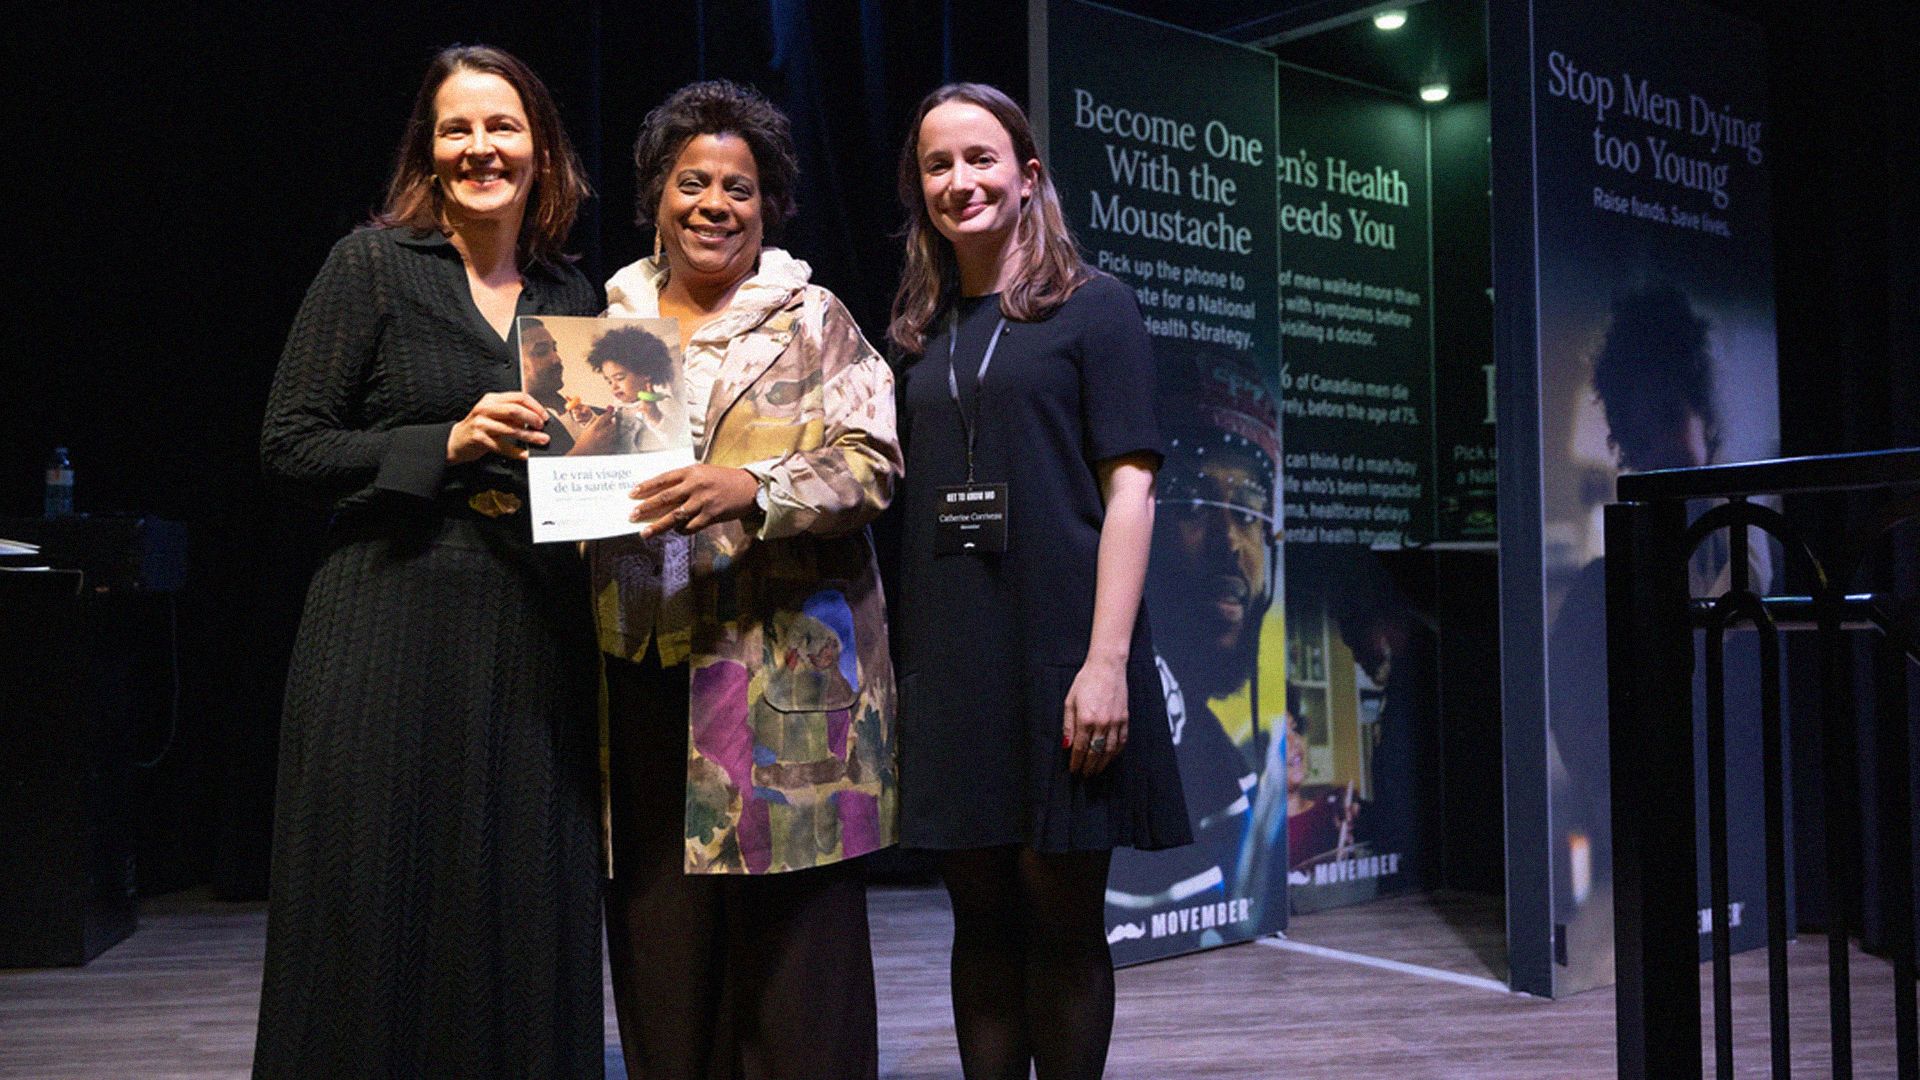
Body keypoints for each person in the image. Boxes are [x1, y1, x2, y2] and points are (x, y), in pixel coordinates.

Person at [255, 45, 603, 1078]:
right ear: (429, 147)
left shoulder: (570, 289)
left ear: (540, 149)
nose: (480, 148)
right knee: (375, 889)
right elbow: (290, 444)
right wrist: (446, 442)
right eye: (458, 128)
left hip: (527, 626)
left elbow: (589, 465)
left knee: (516, 890)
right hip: (385, 616)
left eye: (503, 127)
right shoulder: (370, 265)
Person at [589, 80, 900, 1080]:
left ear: (768, 206)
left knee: (798, 964)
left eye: (741, 186)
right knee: (663, 954)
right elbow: (593, 495)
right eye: (693, 183)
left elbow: (873, 460)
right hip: (647, 665)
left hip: (783, 680)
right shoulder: (609, 330)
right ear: (656, 195)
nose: (715, 204)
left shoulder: (813, 320)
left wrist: (748, 486)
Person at [890, 82, 1191, 1080]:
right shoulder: (925, 331)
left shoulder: (1094, 307)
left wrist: (1108, 662)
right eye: (938, 164)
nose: (959, 180)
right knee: (978, 925)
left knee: (1060, 926)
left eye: (980, 159)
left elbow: (1133, 491)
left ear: (1027, 178)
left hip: (1065, 653)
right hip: (955, 663)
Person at [572, 324, 687, 454]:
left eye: (620, 378)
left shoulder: (664, 403)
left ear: (646, 373)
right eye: (609, 381)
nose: (614, 387)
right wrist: (590, 420)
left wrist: (655, 417)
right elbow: (611, 438)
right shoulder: (621, 409)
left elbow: (679, 441)